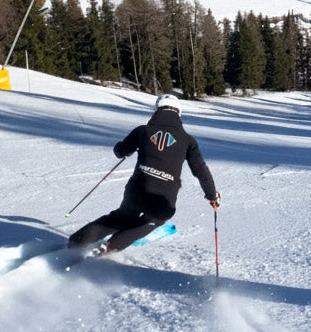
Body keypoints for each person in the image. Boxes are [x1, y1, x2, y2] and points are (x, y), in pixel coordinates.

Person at [69, 94, 220, 254]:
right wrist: (212, 195)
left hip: (137, 190)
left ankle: (76, 241)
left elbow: (121, 152)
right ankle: (108, 247)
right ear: (178, 113)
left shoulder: (143, 131)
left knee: (122, 217)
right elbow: (200, 170)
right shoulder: (188, 141)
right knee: (153, 220)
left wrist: (120, 148)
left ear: (157, 110)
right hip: (164, 196)